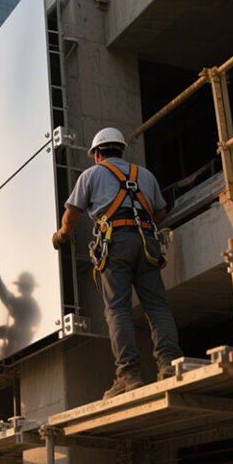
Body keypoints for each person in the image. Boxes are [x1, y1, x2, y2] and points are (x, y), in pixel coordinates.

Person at [52, 127, 183, 399]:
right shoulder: (144, 175)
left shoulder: (92, 174)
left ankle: (129, 375)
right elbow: (160, 211)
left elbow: (71, 215)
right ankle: (169, 364)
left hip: (114, 243)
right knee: (157, 306)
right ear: (120, 149)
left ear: (98, 153)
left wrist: (62, 235)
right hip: (147, 242)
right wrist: (141, 226)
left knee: (117, 310)